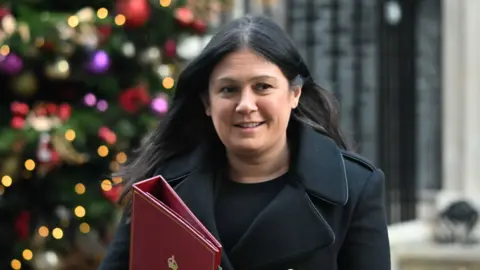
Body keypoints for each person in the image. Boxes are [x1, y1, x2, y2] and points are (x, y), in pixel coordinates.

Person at [99, 15, 391, 270]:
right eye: (229, 90)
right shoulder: (160, 190)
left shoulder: (354, 189)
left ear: (294, 94)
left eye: (262, 87)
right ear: (207, 102)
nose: (245, 105)